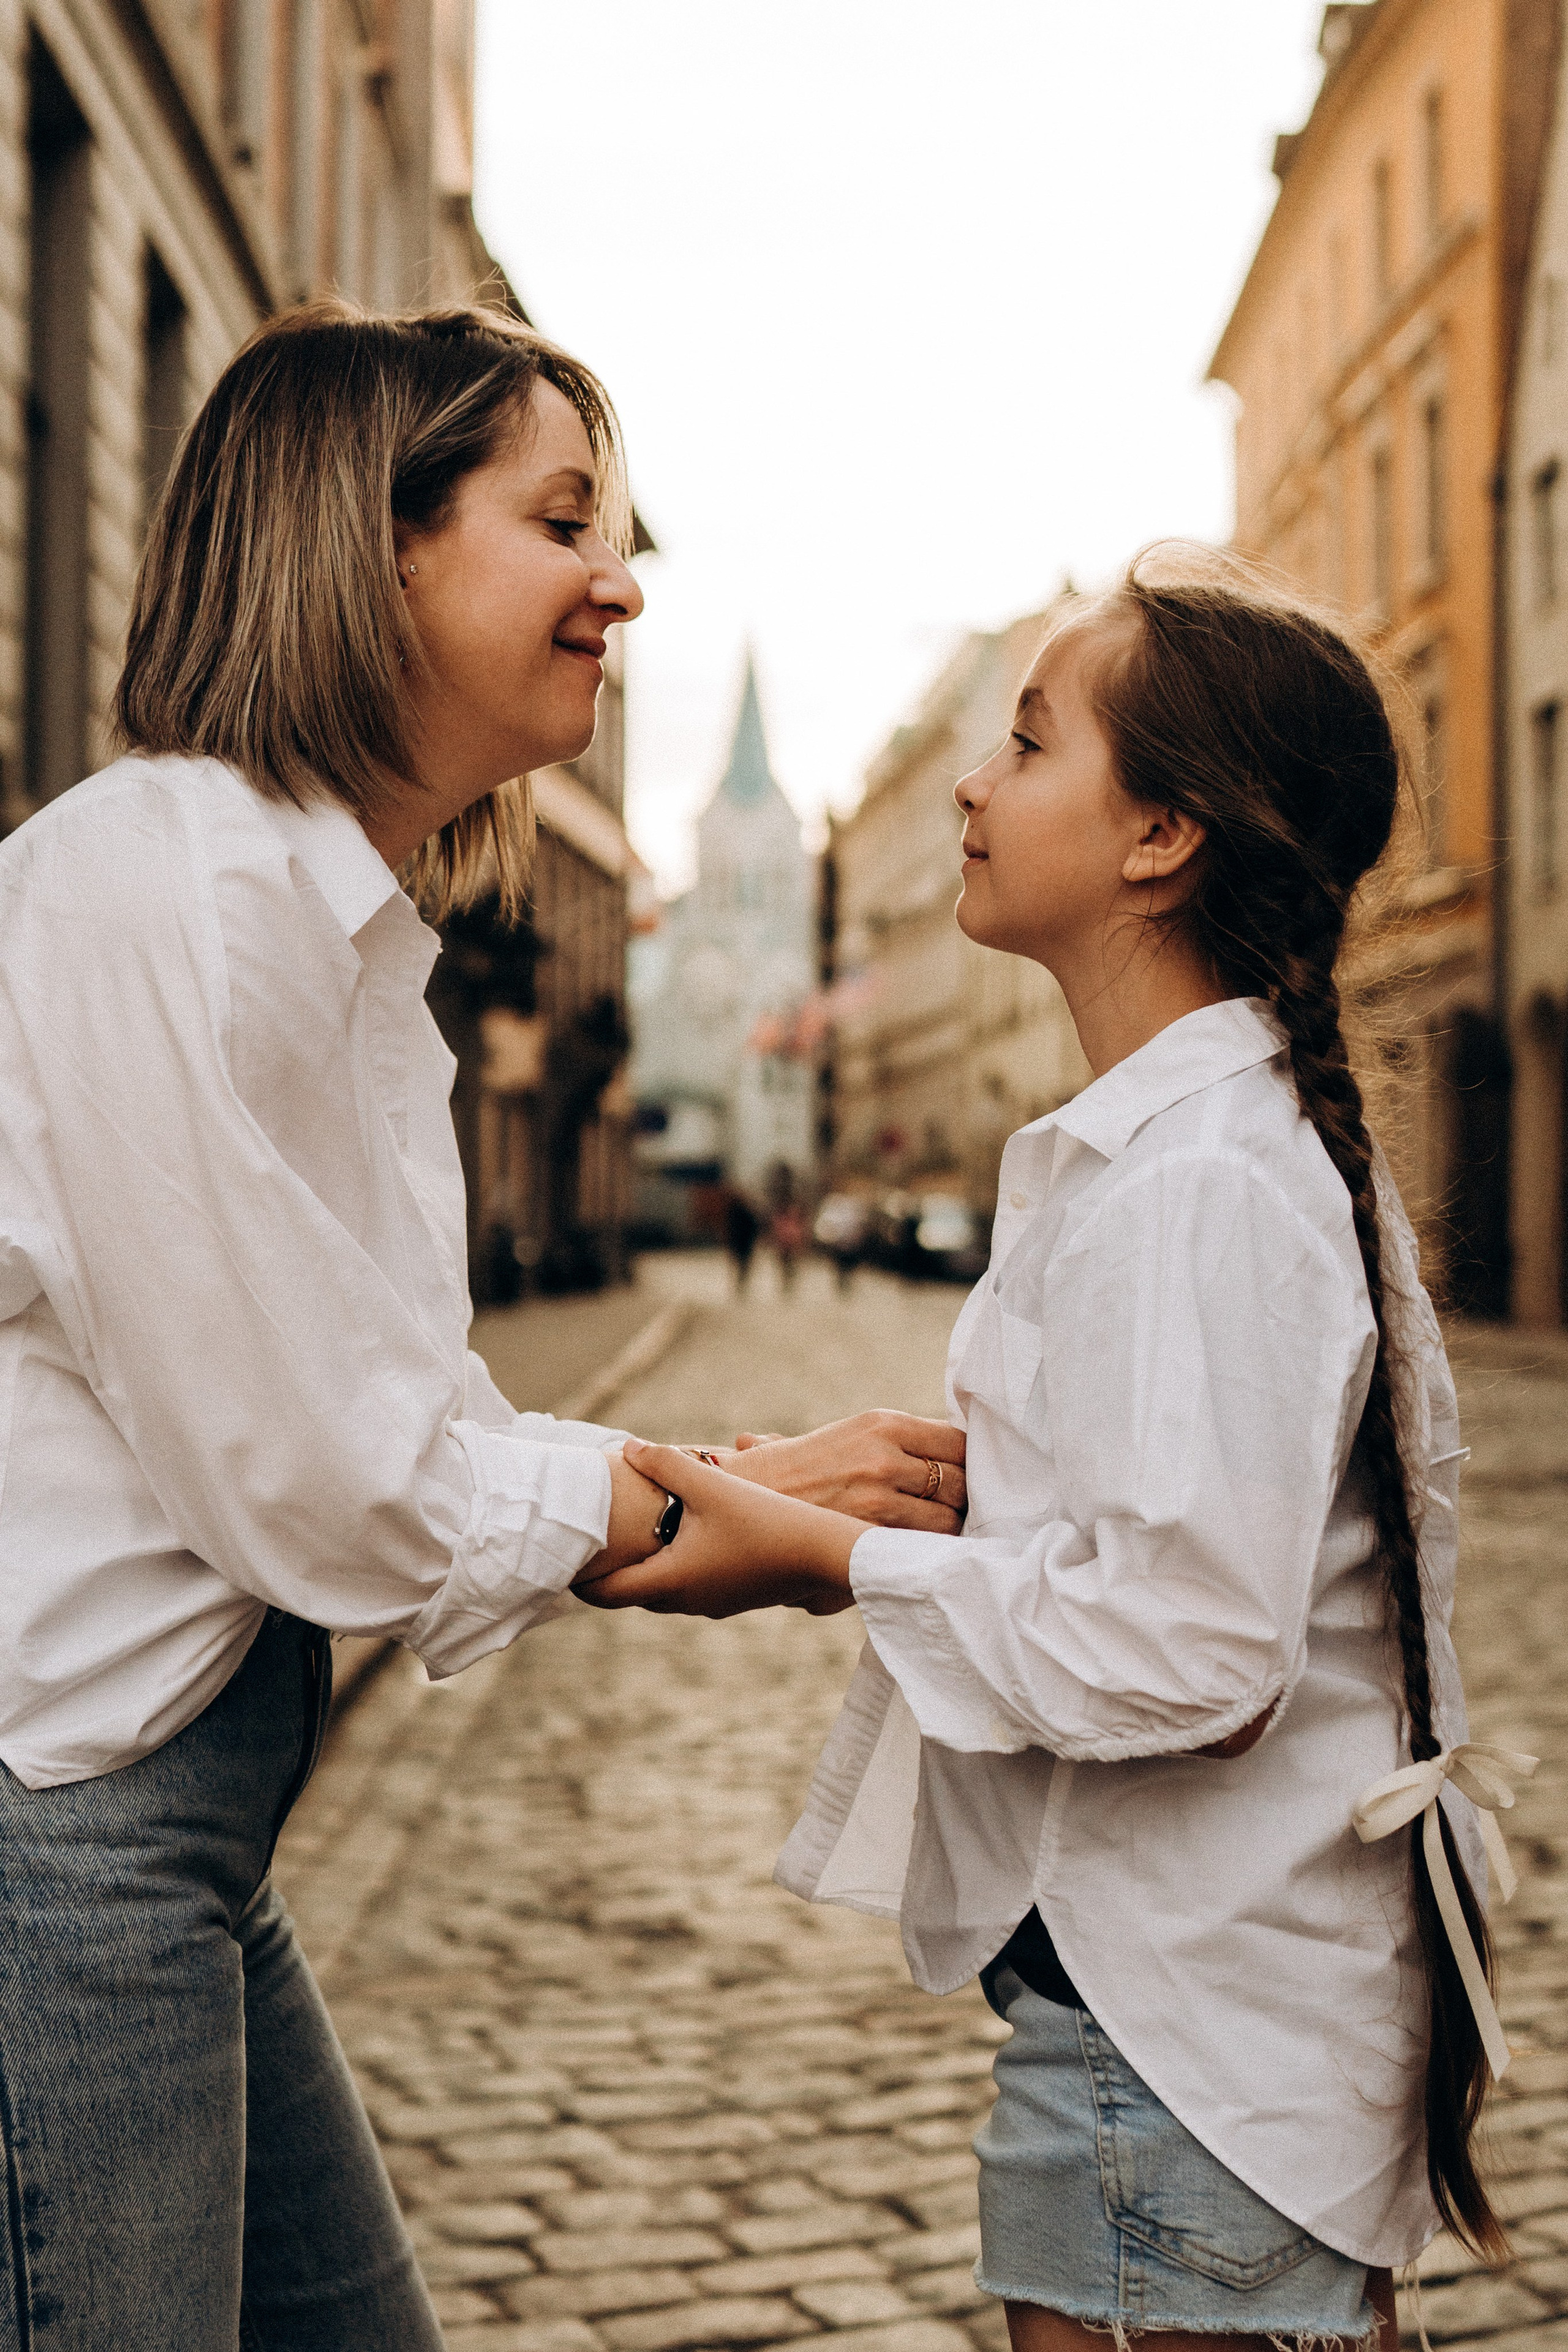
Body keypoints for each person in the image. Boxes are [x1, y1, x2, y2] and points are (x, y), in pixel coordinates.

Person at [0, 301, 967, 2349]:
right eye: (560, 522)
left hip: (181, 1836)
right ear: (377, 546)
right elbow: (332, 1481)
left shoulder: (330, 923)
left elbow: (401, 1411)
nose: (619, 584)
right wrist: (723, 1516)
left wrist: (726, 1476)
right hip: (58, 1850)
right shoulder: (165, 892)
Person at [582, 554, 1529, 2351]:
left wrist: (829, 1557)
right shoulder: (1190, 1155)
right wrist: (892, 1497)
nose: (970, 781)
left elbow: (1193, 1654)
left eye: (1026, 742)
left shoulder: (1201, 1180)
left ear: (1160, 837)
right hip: (1175, 2047)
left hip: (1183, 2060)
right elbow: (1161, 1545)